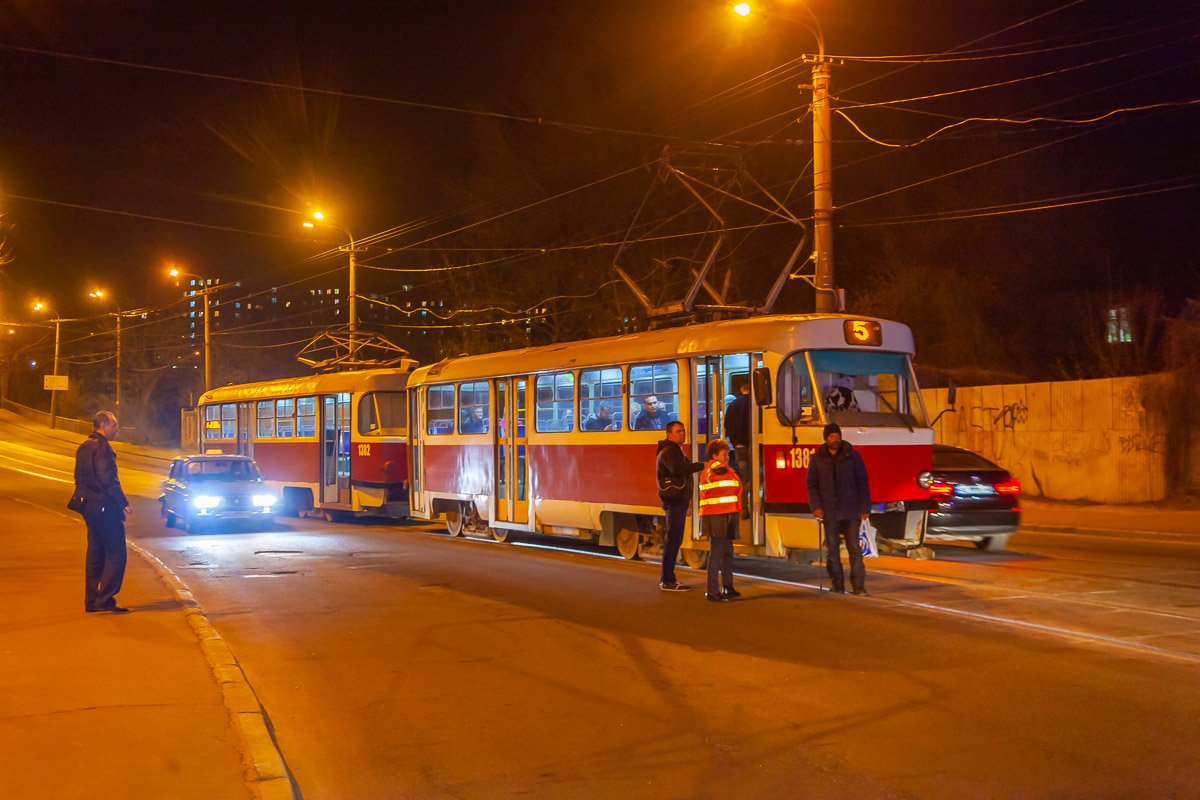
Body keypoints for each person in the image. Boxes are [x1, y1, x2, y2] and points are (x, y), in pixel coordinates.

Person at [74, 410, 132, 613]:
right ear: (104, 426)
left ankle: (91, 600)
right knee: (117, 553)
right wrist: (122, 502)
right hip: (104, 507)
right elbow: (108, 479)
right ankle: (106, 599)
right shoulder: (102, 448)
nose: (116, 429)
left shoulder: (83, 447)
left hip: (89, 507)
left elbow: (78, 478)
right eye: (114, 425)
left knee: (95, 553)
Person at [806, 422, 871, 595]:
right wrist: (816, 507)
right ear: (826, 439)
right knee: (832, 549)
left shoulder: (853, 456)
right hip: (829, 511)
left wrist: (865, 507)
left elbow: (862, 482)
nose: (836, 439)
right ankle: (837, 584)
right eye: (832, 436)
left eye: (838, 436)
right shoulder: (817, 459)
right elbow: (812, 485)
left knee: (854, 549)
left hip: (851, 510)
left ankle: (858, 585)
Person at [655, 420, 704, 591]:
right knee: (673, 539)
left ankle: (669, 578)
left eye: (683, 431)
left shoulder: (673, 450)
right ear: (669, 434)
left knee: (674, 539)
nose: (682, 433)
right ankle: (667, 580)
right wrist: (701, 466)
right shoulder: (670, 451)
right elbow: (677, 469)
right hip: (674, 500)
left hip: (677, 500)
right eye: (678, 431)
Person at [698, 439, 742, 602]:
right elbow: (731, 486)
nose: (727, 457)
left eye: (728, 454)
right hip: (718, 515)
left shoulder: (718, 470)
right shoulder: (717, 469)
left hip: (725, 514)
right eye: (724, 454)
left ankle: (727, 587)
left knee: (727, 552)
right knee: (718, 552)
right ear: (714, 455)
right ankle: (712, 590)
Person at [722, 379, 751, 515]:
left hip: (739, 447)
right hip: (756, 447)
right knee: (760, 477)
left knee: (745, 478)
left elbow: (727, 426)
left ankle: (744, 508)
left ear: (741, 390)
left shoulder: (733, 405)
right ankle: (759, 506)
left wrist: (734, 441)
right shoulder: (757, 404)